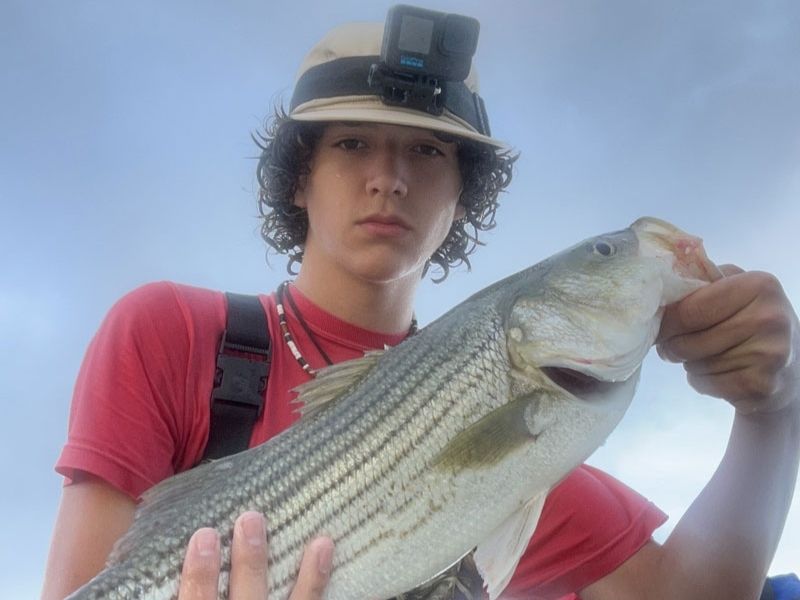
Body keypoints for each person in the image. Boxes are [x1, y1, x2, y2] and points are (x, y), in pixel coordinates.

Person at [41, 15, 799, 600]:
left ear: (461, 194)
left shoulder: (521, 437)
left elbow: (689, 591)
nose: (389, 178)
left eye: (428, 152)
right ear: (298, 178)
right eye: (351, 145)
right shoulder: (170, 331)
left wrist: (775, 413)